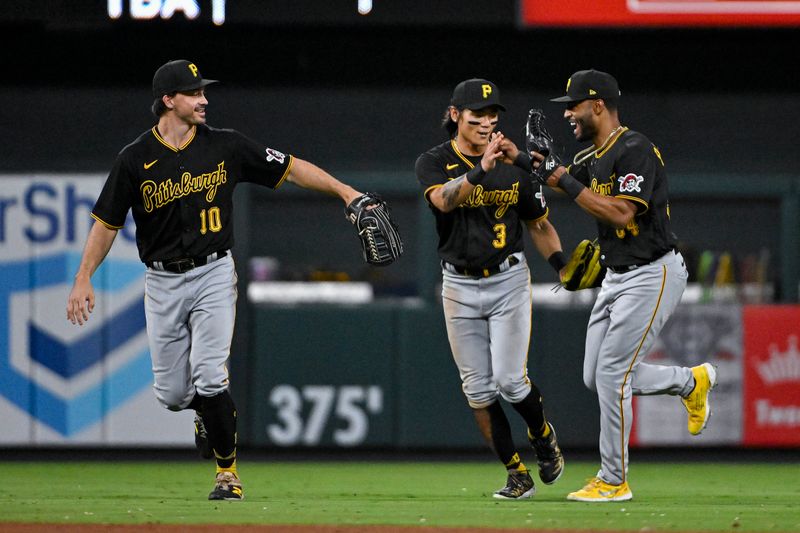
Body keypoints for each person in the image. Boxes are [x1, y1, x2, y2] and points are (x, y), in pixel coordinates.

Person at [66, 59, 368, 501]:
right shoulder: (134, 159)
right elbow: (106, 223)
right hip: (162, 280)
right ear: (168, 101)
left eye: (203, 92)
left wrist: (347, 192)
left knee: (210, 377)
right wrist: (82, 277)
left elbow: (290, 167)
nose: (204, 99)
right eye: (194, 93)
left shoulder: (226, 146)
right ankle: (208, 414)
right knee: (171, 394)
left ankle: (227, 475)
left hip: (212, 271)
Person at [524, 69, 717, 502]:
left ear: (598, 105)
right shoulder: (592, 156)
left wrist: (562, 178)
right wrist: (519, 159)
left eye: (573, 105)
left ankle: (614, 480)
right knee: (598, 376)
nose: (568, 113)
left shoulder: (635, 149)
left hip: (654, 272)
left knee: (613, 374)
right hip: (617, 276)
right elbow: (553, 175)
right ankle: (690, 382)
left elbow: (623, 213)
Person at [414, 78, 566, 500]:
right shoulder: (433, 161)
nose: (486, 122)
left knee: (511, 382)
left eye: (491, 115)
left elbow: (540, 225)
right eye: (476, 115)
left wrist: (562, 265)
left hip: (507, 279)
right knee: (478, 390)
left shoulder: (516, 165)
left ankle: (541, 434)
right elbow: (444, 201)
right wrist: (481, 168)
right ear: (454, 115)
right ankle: (516, 473)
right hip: (458, 285)